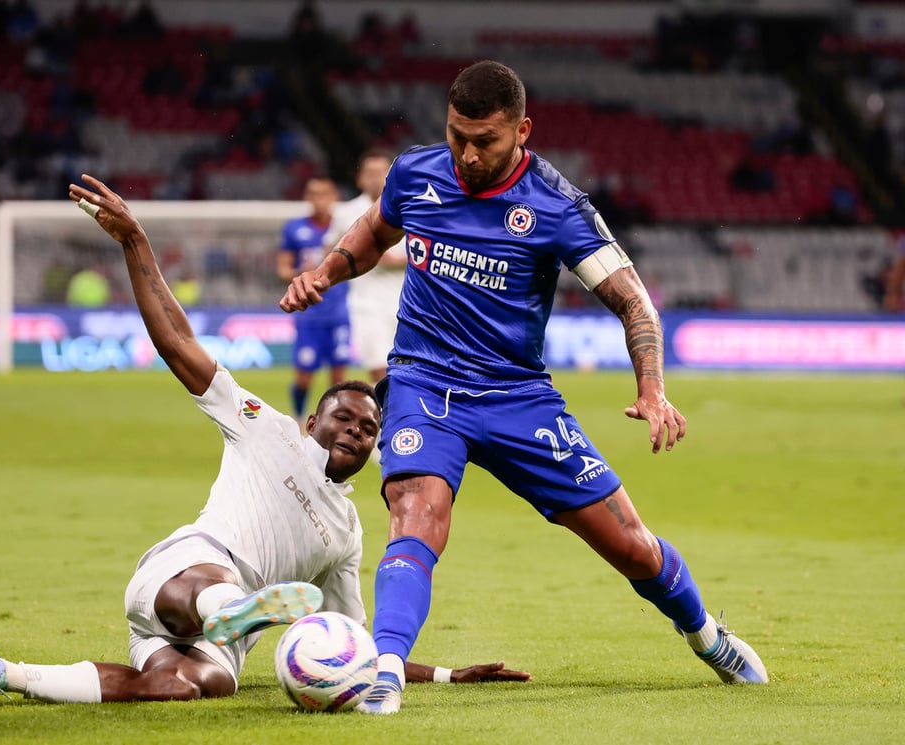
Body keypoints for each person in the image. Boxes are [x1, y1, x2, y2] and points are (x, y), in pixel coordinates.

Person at [280, 60, 769, 715]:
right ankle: (384, 670)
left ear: (522, 131)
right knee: (416, 516)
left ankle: (707, 634)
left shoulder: (556, 206)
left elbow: (634, 303)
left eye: (485, 140)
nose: (468, 153)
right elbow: (374, 232)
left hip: (517, 397)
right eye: (458, 136)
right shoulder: (416, 173)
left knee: (629, 544)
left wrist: (651, 390)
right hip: (424, 383)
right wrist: (328, 270)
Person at [0, 173, 531, 704]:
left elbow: (356, 643)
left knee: (189, 688)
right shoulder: (265, 428)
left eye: (369, 429)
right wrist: (134, 242)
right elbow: (179, 343)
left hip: (201, 640)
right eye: (343, 418)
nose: (356, 430)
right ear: (311, 422)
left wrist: (451, 675)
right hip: (187, 571)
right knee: (216, 583)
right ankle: (233, 608)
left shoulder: (347, 534)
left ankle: (1, 672)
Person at [324, 149, 407, 383]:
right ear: (360, 178)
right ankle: (385, 418)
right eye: (370, 173)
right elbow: (330, 250)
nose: (375, 178)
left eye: (381, 172)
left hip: (406, 302)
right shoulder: (344, 213)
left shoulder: (409, 207)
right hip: (366, 305)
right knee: (379, 371)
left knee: (405, 370)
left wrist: (397, 261)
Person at [276, 175, 350, 430]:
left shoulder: (345, 229)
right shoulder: (294, 228)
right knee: (304, 377)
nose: (320, 200)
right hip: (309, 315)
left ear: (334, 197)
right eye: (314, 194)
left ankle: (332, 426)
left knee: (338, 378)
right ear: (307, 198)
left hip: (339, 313)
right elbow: (283, 269)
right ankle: (298, 420)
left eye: (325, 194)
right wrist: (300, 270)